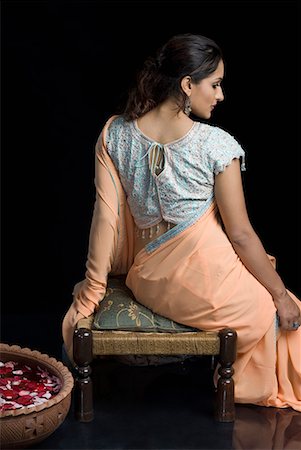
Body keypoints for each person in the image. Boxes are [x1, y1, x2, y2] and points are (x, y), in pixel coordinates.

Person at [62, 33, 301, 411]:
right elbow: (240, 234)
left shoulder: (115, 134)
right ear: (188, 85)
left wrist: (92, 292)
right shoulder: (216, 145)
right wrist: (281, 294)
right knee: (283, 312)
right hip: (207, 281)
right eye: (216, 84)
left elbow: (105, 220)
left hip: (149, 280)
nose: (220, 95)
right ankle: (246, 390)